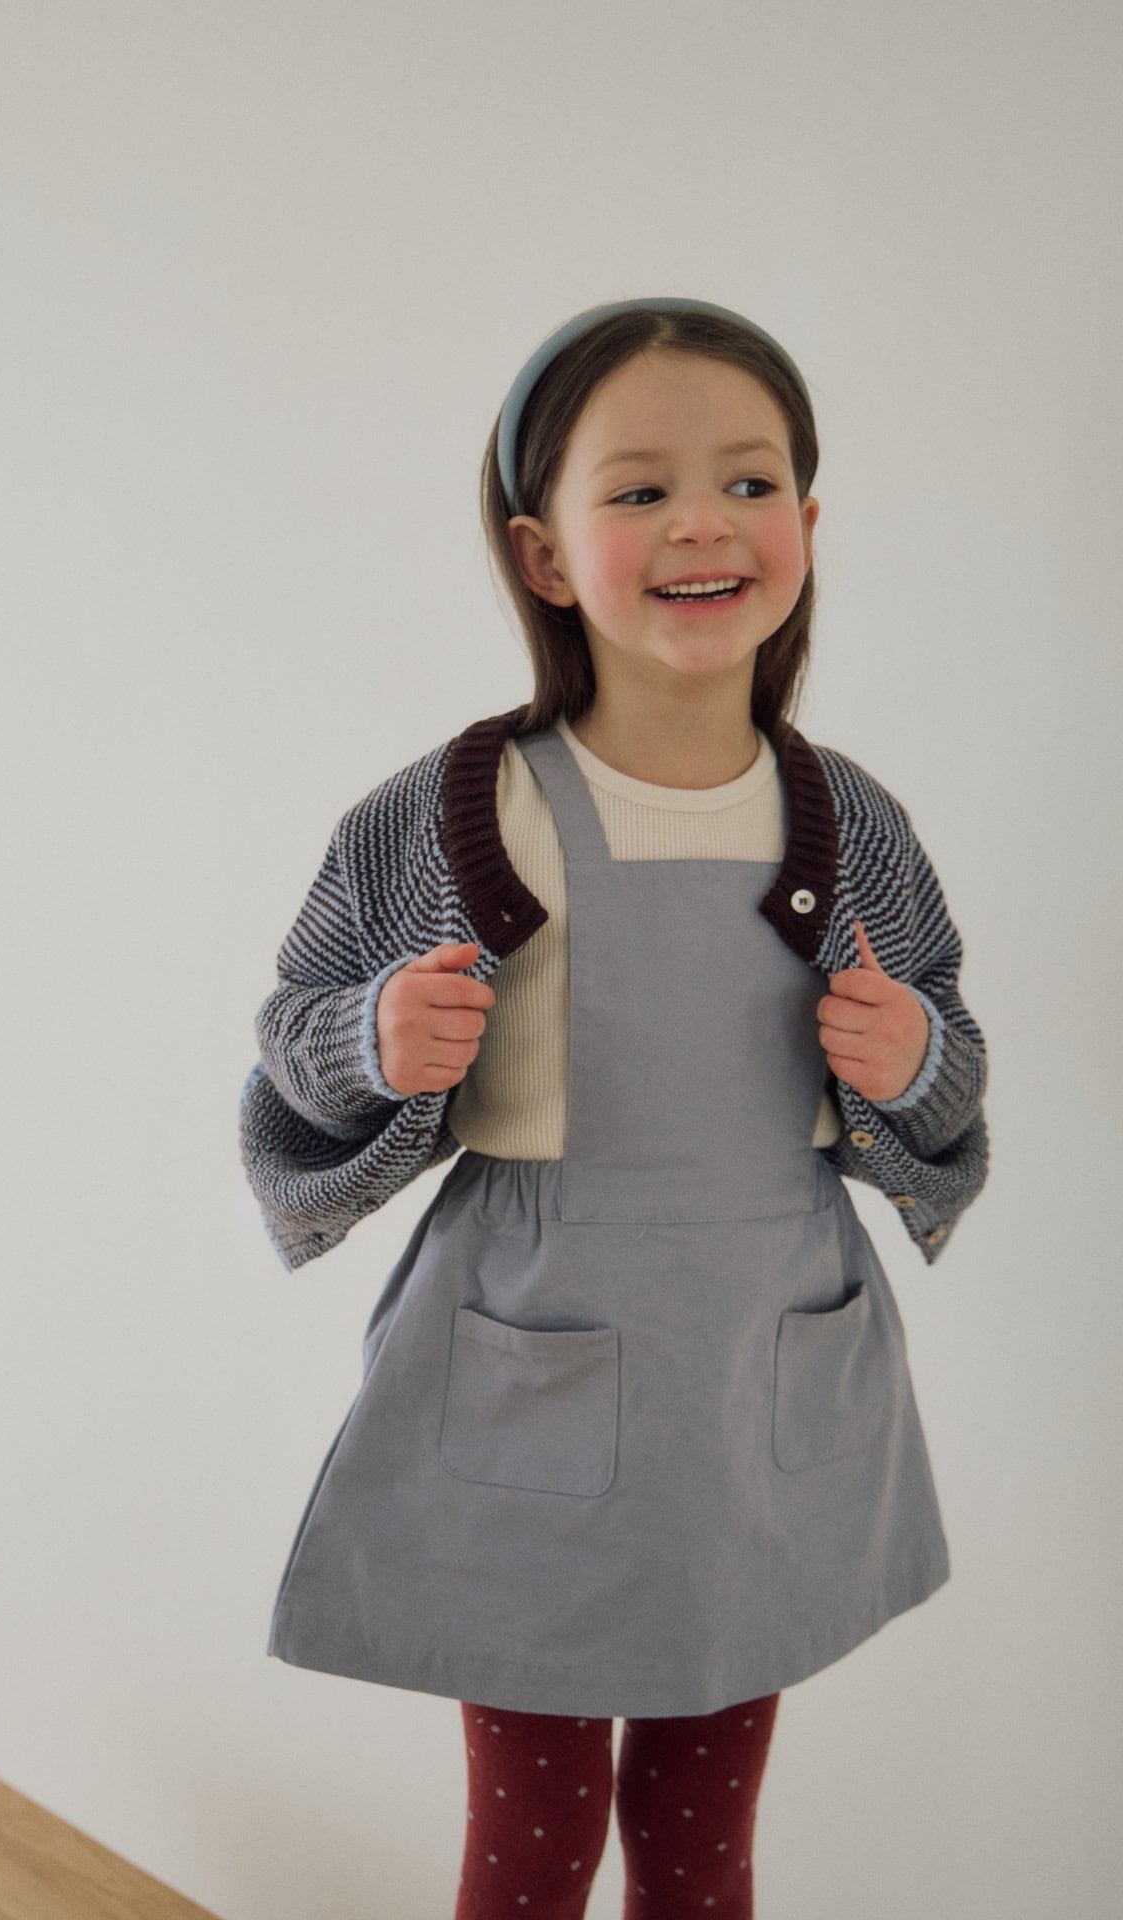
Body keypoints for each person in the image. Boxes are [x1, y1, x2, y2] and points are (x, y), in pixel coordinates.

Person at [238, 297, 990, 1918]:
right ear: (545, 554)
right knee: (530, 1843)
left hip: (757, 1389)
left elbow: (954, 1070)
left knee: (706, 1845)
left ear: (806, 526)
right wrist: (376, 1040)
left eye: (749, 482)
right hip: (534, 1373)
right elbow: (290, 1037)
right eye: (641, 489)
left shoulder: (850, 822)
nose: (702, 522)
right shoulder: (459, 812)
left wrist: (912, 1057)